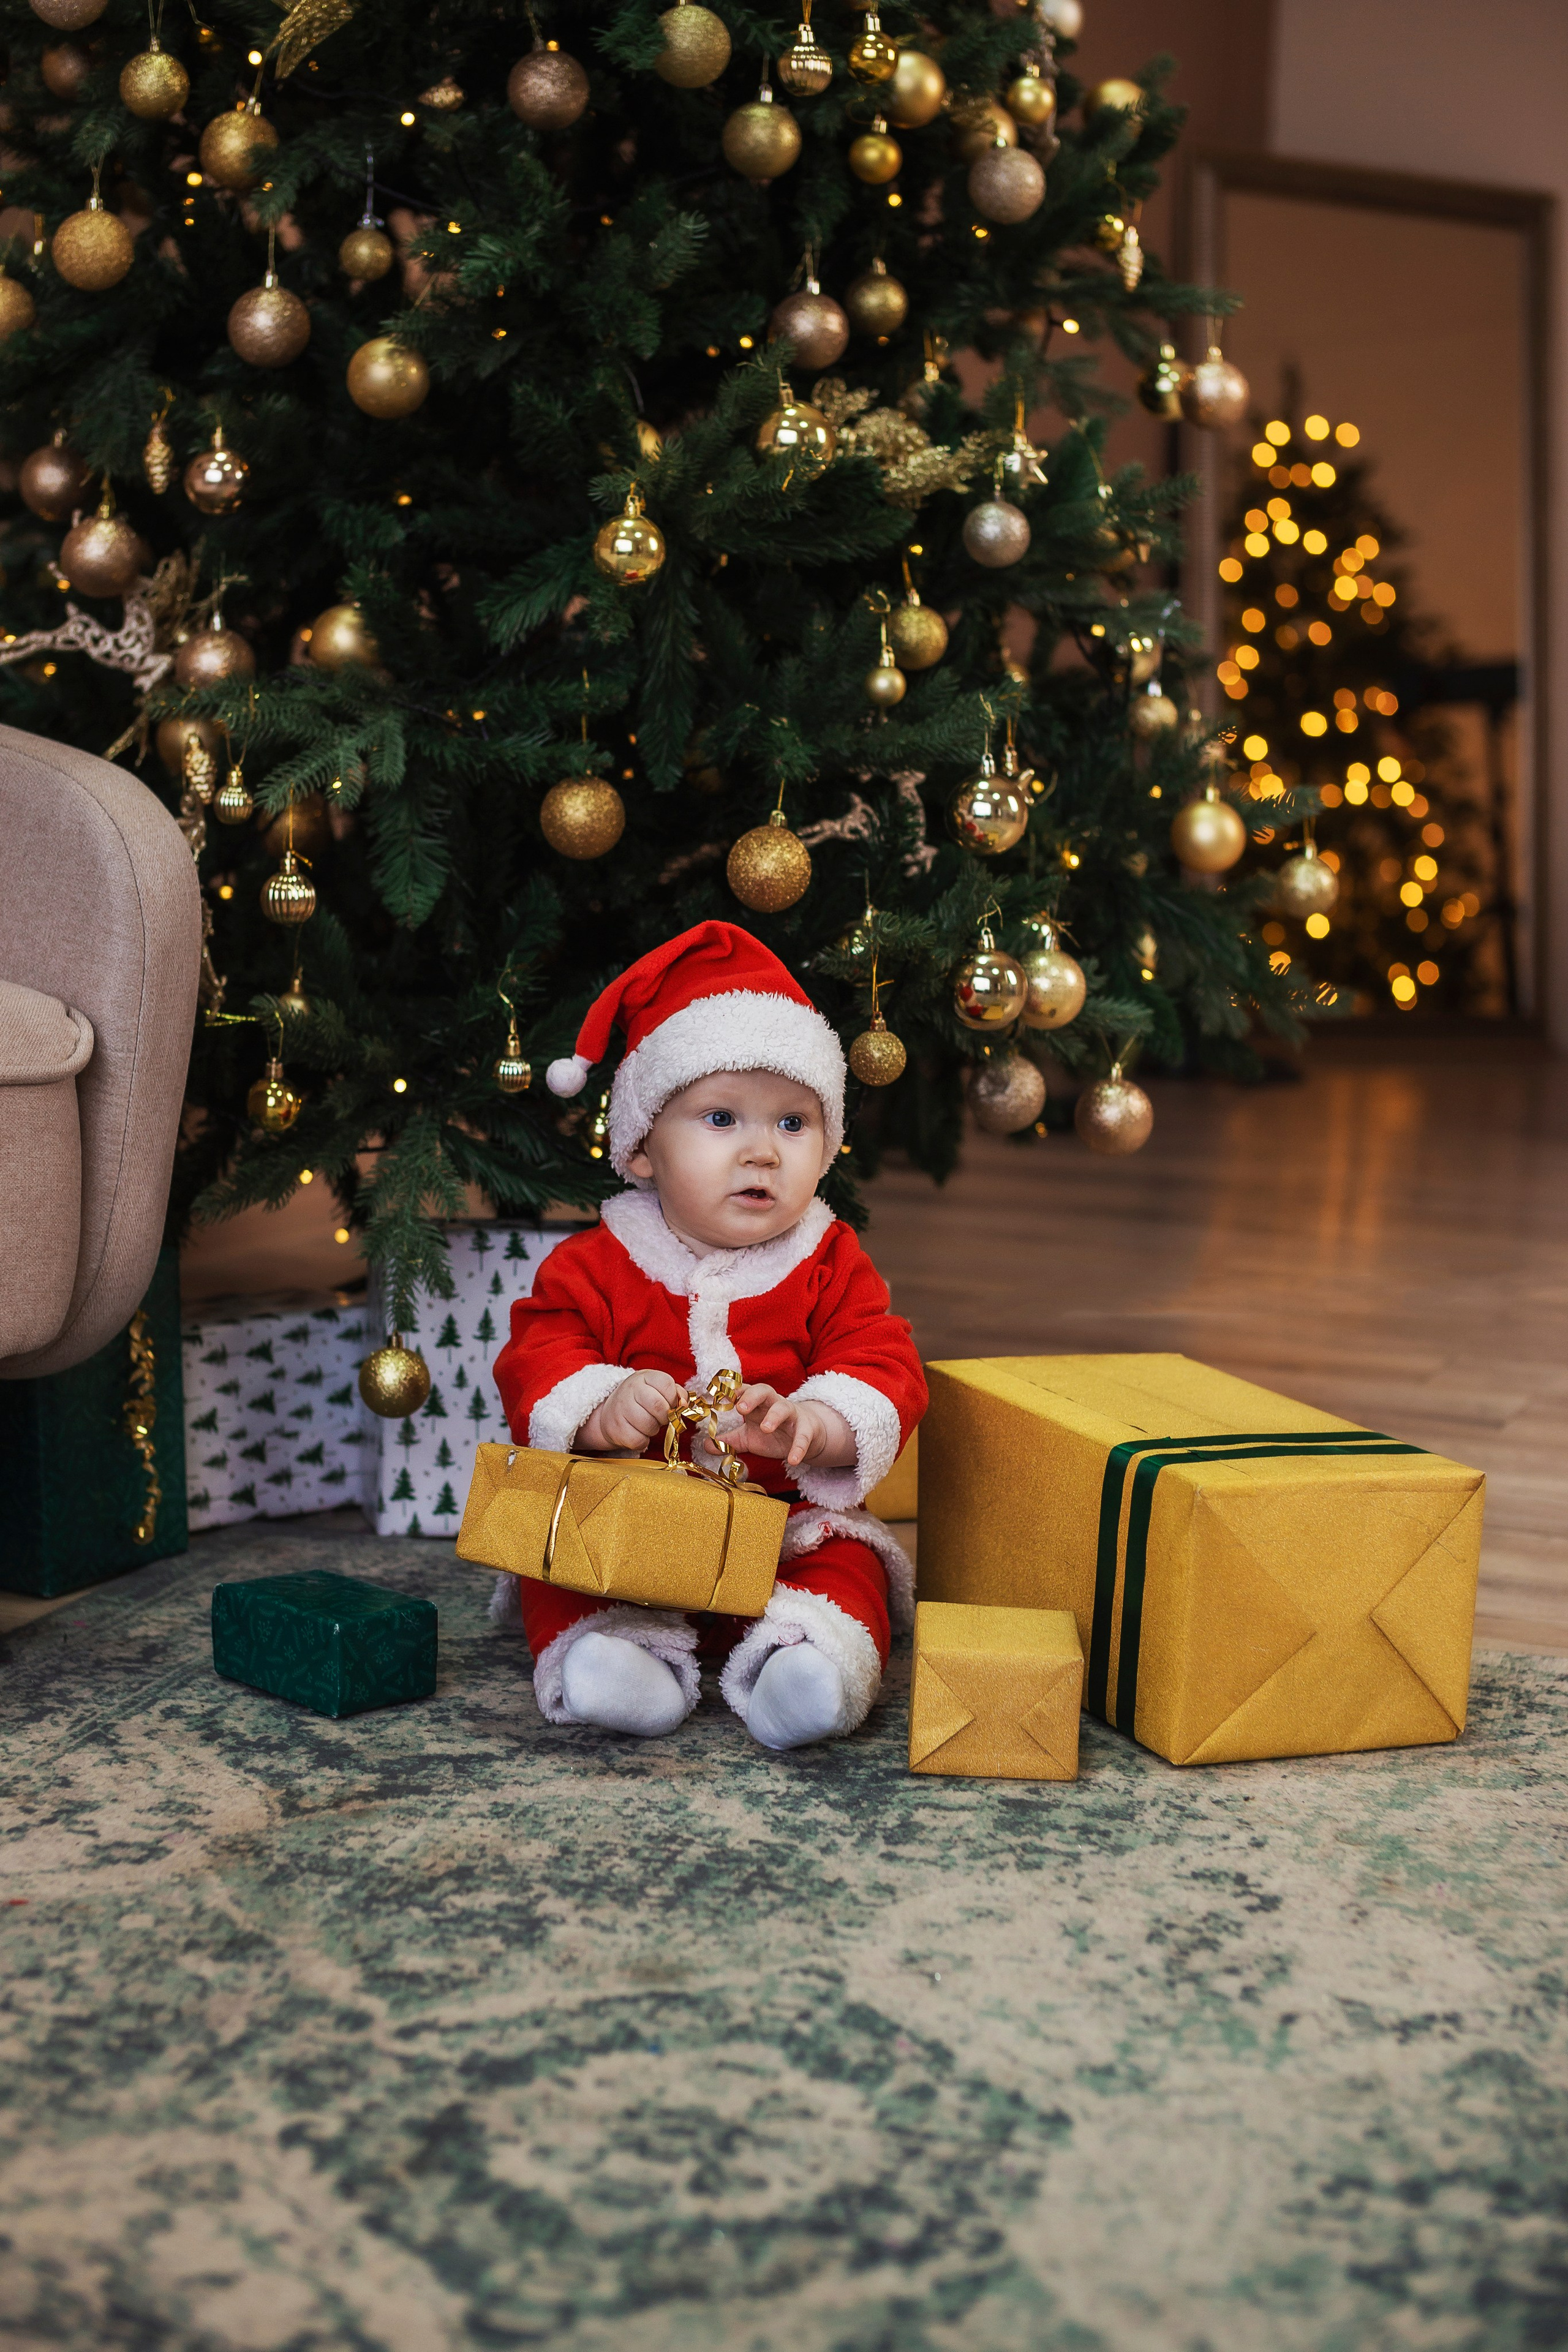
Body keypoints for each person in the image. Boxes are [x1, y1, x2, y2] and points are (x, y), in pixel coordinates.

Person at [491, 920, 925, 1750]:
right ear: (644, 1147)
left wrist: (821, 1422)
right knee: (559, 1559)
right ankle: (617, 1665)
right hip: (632, 1525)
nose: (762, 1153)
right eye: (721, 1119)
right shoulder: (598, 1262)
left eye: (793, 1125)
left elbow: (883, 1359)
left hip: (785, 1529)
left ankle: (805, 1670)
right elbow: (536, 1353)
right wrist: (595, 1405)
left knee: (850, 1568)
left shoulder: (830, 1260)